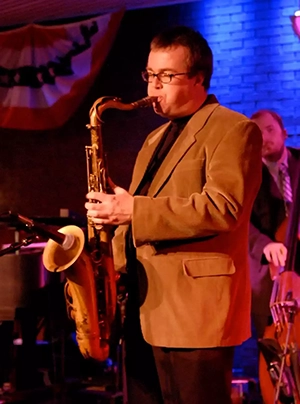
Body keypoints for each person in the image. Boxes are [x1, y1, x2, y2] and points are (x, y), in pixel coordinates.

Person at [85, 26, 262, 404]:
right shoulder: (153, 139)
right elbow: (140, 211)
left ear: (199, 78)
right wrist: (111, 246)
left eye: (167, 77)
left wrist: (135, 209)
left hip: (195, 316)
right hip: (144, 309)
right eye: (151, 75)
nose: (153, 88)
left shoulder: (234, 129)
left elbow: (223, 207)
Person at [249, 109, 300, 339]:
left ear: (284, 133)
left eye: (270, 130)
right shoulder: (246, 175)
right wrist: (265, 245)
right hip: (269, 273)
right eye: (257, 133)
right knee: (274, 339)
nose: (264, 138)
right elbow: (239, 222)